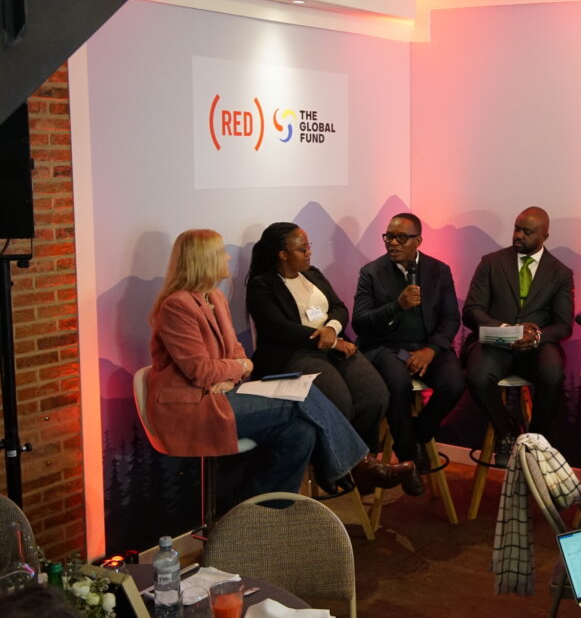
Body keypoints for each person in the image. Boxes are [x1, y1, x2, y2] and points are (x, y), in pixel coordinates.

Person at [148, 229, 413, 499]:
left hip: (225, 392)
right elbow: (201, 370)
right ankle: (359, 465)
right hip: (195, 407)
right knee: (305, 393)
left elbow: (235, 350)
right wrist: (241, 367)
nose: (228, 257)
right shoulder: (177, 306)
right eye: (220, 254)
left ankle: (264, 516)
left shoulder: (214, 297)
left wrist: (237, 368)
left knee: (302, 433)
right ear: (202, 261)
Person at [245, 222, 389, 461]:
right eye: (303, 249)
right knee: (339, 401)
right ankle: (334, 465)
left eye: (308, 246)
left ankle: (364, 461)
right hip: (294, 352)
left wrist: (332, 328)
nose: (309, 252)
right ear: (283, 254)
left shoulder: (313, 275)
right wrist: (330, 341)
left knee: (375, 395)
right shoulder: (262, 285)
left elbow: (339, 307)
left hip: (332, 344)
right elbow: (278, 328)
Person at [352, 213, 465, 493]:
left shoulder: (438, 270)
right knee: (398, 384)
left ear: (418, 240)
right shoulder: (371, 272)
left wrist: (431, 349)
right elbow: (360, 322)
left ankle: (418, 433)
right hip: (385, 346)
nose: (393, 243)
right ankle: (409, 458)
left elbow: (451, 318)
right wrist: (396, 305)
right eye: (389, 236)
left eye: (401, 237)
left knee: (454, 383)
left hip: (428, 346)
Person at [462, 206, 574, 464]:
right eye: (516, 228)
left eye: (527, 232)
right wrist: (505, 331)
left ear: (544, 236)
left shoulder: (560, 273)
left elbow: (563, 325)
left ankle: (535, 440)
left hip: (537, 346)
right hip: (496, 343)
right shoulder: (491, 263)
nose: (518, 235)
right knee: (477, 375)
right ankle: (508, 430)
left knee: (553, 373)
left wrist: (536, 337)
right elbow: (471, 310)